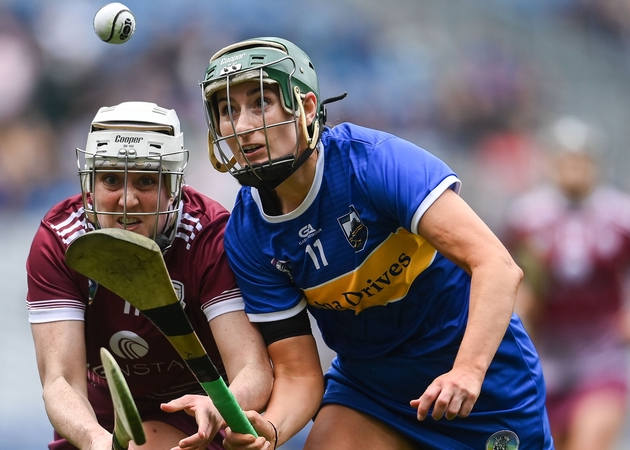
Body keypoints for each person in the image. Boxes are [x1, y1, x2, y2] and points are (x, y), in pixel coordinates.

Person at [198, 37, 553, 449]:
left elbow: (498, 266)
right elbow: (298, 374)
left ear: (307, 108)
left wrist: (467, 371)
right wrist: (272, 429)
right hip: (371, 392)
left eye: (260, 104)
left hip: (481, 381)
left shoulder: (375, 163)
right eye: (229, 111)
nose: (242, 127)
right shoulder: (246, 233)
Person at [25, 101, 273, 450]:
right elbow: (60, 381)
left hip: (193, 412)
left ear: (173, 187)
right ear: (89, 185)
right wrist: (97, 441)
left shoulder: (209, 236)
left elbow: (253, 367)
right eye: (111, 179)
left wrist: (217, 406)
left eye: (145, 180)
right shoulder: (59, 241)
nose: (128, 200)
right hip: (97, 417)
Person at [504, 116, 630, 450]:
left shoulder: (621, 215)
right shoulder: (528, 217)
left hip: (602, 355)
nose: (574, 168)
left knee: (589, 443)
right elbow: (517, 278)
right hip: (545, 359)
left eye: (581, 160)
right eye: (565, 160)